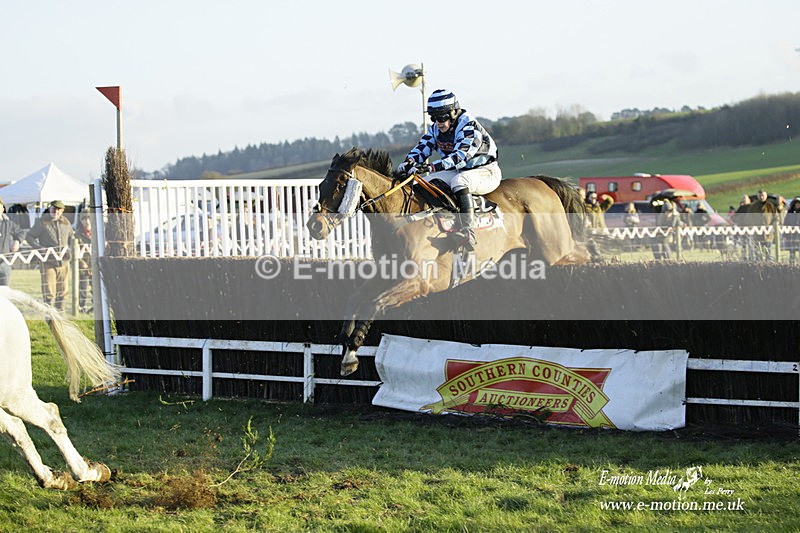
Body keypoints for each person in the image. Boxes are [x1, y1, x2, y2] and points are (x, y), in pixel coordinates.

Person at [397, 89, 500, 250]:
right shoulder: (435, 129)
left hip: (486, 171)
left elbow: (460, 158)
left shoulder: (468, 126)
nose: (438, 122)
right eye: (434, 117)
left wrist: (431, 166)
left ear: (454, 113)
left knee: (460, 181)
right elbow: (423, 147)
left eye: (442, 117)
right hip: (460, 170)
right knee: (423, 182)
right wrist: (410, 161)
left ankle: (468, 231)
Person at [25, 200, 75, 310]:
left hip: (64, 262)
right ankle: (50, 316)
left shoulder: (66, 222)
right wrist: (40, 248)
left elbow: (71, 237)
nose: (55, 212)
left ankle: (61, 314)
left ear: (62, 211)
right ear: (49, 209)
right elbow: (29, 237)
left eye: (58, 210)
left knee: (63, 291)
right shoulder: (41, 222)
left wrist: (70, 248)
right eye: (53, 209)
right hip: (48, 261)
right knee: (49, 291)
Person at [0, 197, 27, 286]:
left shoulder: (9, 223)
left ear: (3, 208)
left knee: (5, 291)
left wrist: (17, 241)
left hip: (5, 262)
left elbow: (21, 232)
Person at [75, 211, 93, 313]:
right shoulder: (77, 235)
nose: (87, 221)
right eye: (84, 219)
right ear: (81, 221)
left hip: (94, 264)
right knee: (83, 286)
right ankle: (82, 306)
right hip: (83, 265)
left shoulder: (97, 233)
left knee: (95, 287)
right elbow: (75, 250)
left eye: (89, 219)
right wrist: (82, 263)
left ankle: (95, 305)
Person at [783, 197, 800, 264]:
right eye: (796, 203)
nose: (798, 205)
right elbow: (786, 223)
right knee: (792, 251)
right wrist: (785, 234)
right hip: (792, 235)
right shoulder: (790, 212)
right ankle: (791, 265)